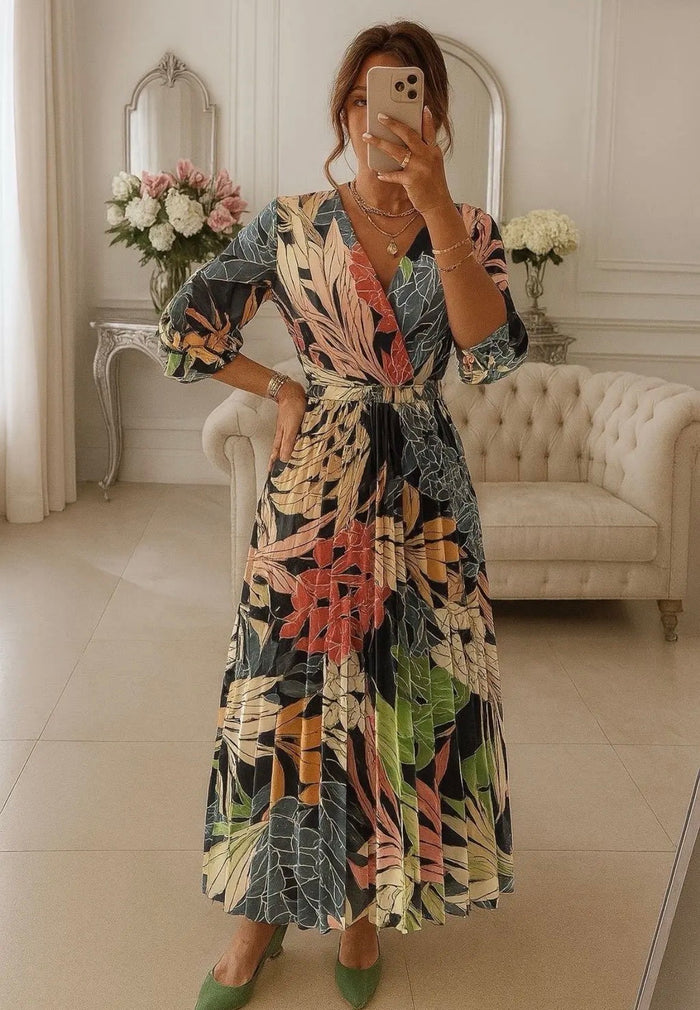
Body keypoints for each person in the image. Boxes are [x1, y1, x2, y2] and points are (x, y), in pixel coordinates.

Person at [158, 19, 528, 1010]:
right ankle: (259, 910)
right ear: (342, 111)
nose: (380, 116)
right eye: (364, 98)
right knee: (286, 689)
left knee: (398, 694)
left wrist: (442, 214)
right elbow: (184, 327)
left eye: (402, 97)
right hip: (315, 483)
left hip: (424, 492)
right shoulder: (286, 223)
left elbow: (490, 353)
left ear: (434, 114)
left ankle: (362, 899)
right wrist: (277, 386)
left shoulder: (471, 227)